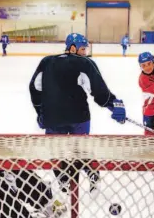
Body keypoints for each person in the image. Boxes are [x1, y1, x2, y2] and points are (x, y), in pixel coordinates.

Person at [29, 32, 126, 192]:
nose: (84, 52)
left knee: (56, 151)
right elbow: (98, 90)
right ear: (72, 48)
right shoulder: (84, 63)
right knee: (82, 148)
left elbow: (34, 88)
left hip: (53, 118)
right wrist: (113, 105)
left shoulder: (46, 62)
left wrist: (40, 112)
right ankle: (92, 173)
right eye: (82, 49)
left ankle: (63, 180)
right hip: (79, 116)